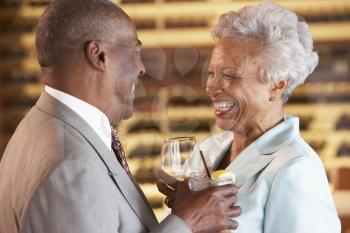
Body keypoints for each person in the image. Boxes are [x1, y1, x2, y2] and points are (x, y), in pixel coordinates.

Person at [0, 0, 241, 232]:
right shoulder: (71, 167)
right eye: (134, 52)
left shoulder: (40, 125)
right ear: (98, 56)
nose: (141, 68)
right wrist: (187, 223)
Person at [159, 2, 341, 233]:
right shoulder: (205, 151)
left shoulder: (296, 169)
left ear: (277, 84)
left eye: (230, 76)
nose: (211, 87)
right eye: (212, 73)